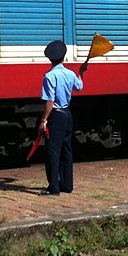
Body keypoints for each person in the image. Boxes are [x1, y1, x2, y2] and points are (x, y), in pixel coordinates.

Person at [38, 40, 85, 195]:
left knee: (52, 151)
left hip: (56, 116)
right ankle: (67, 185)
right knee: (66, 150)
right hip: (67, 115)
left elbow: (50, 101)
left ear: (50, 59)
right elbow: (79, 87)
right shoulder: (70, 73)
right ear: (63, 58)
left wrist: (44, 120)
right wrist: (81, 72)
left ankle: (54, 188)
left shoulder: (49, 76)